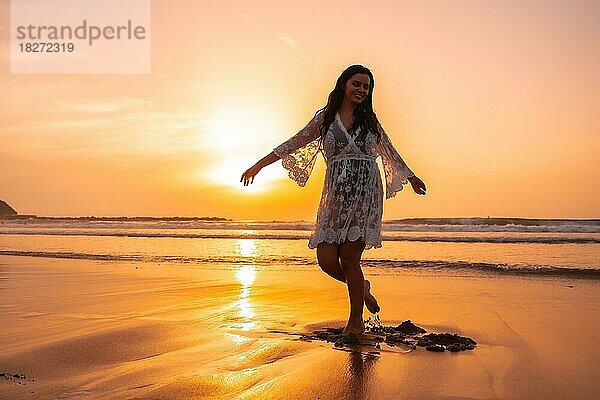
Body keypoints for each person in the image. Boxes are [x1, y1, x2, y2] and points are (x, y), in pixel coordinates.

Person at [240, 64, 427, 335]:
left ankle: (355, 322)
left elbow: (388, 150)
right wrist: (258, 166)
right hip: (337, 194)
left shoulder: (369, 121)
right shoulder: (325, 119)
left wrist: (411, 177)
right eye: (357, 84)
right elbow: (293, 143)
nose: (361, 90)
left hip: (366, 192)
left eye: (366, 86)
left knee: (351, 258)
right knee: (327, 260)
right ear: (343, 84)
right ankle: (362, 289)